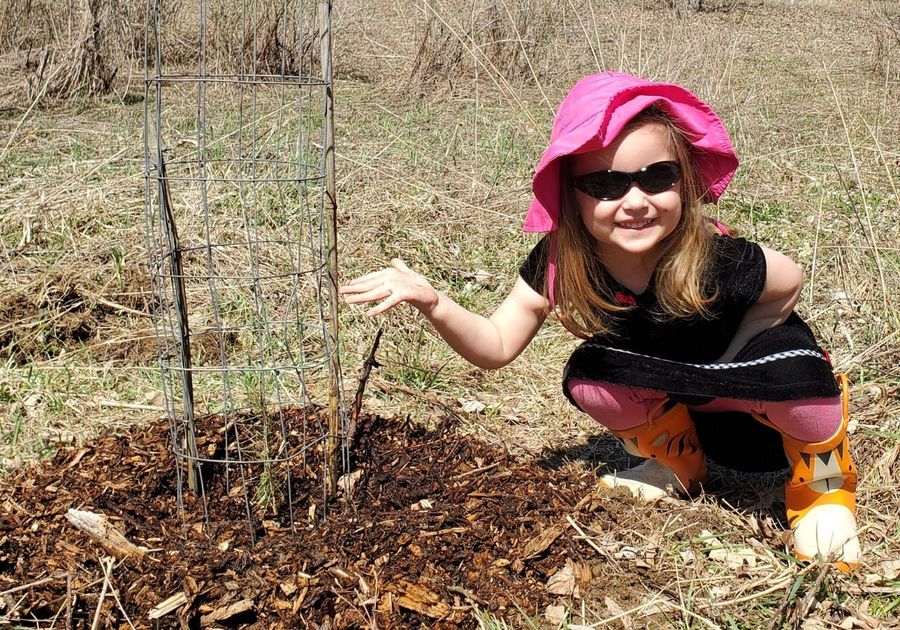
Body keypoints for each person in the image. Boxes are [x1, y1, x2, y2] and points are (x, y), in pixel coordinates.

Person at [339, 71, 860, 570]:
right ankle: (679, 464)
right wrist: (434, 303)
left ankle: (825, 490)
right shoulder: (562, 262)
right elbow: (496, 346)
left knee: (799, 375)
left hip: (759, 406)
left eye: (658, 177)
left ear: (685, 180)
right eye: (605, 184)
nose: (635, 201)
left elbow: (788, 280)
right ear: (570, 191)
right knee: (591, 374)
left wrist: (735, 355)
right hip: (684, 400)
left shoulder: (710, 255)